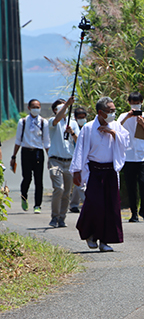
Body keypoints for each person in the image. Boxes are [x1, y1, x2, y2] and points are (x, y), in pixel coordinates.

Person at [70, 97, 130, 252]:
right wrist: (77, 171)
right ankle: (89, 234)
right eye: (110, 111)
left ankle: (105, 241)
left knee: (111, 207)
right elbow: (80, 150)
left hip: (110, 171)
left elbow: (126, 141)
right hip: (94, 171)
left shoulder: (116, 125)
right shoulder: (89, 128)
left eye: (114, 110)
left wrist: (113, 133)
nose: (113, 114)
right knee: (94, 204)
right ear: (100, 112)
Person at [118, 91, 144, 222]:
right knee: (130, 185)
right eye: (133, 103)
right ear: (129, 103)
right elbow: (116, 128)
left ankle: (143, 209)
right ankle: (133, 212)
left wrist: (143, 124)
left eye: (138, 103)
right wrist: (127, 117)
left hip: (143, 155)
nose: (136, 106)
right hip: (128, 156)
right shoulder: (123, 116)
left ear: (142, 103)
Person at [10, 99, 50, 213]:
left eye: (38, 107)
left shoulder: (43, 122)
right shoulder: (22, 122)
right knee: (26, 178)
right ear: (29, 108)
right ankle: (24, 197)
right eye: (33, 107)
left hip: (38, 152)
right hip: (26, 152)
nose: (36, 109)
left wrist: (49, 157)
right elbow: (18, 140)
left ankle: (37, 205)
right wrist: (13, 156)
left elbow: (46, 142)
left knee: (39, 180)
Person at [47, 97, 80, 228]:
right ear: (55, 110)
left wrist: (72, 133)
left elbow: (78, 141)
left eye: (65, 107)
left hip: (69, 161)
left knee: (67, 193)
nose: (64, 109)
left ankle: (62, 217)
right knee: (58, 189)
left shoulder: (73, 123)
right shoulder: (52, 121)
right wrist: (67, 104)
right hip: (56, 161)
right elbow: (56, 119)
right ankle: (54, 217)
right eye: (60, 107)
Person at [69, 107, 88, 213]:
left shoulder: (87, 127)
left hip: (84, 156)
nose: (82, 119)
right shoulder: (73, 126)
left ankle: (74, 204)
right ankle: (79, 202)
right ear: (75, 118)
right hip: (74, 155)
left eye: (83, 117)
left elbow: (81, 141)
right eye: (79, 117)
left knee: (79, 182)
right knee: (78, 182)